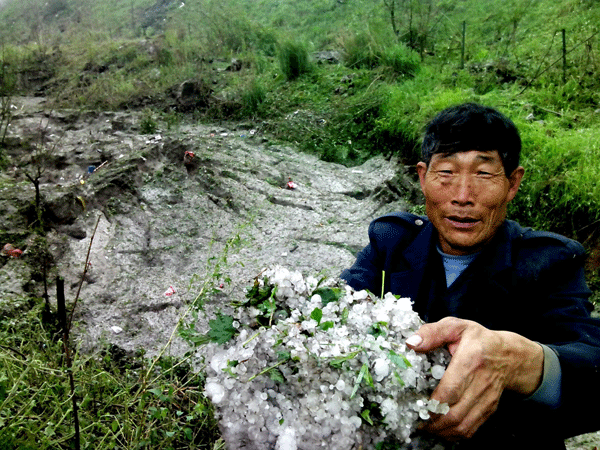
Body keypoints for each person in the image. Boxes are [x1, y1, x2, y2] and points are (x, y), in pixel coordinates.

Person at [341, 102, 600, 450]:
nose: (462, 197)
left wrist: (521, 363)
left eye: (483, 174)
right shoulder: (391, 243)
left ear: (512, 183)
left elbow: (591, 365)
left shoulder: (549, 262)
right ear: (422, 177)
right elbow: (339, 312)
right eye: (446, 172)